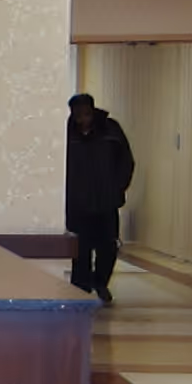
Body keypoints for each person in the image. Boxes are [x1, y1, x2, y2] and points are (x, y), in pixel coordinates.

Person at [65, 93, 136, 304]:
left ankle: (101, 282)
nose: (81, 119)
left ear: (92, 111)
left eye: (85, 114)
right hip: (78, 203)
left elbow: (126, 161)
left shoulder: (111, 130)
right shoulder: (68, 132)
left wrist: (117, 188)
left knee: (108, 247)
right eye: (77, 115)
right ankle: (80, 289)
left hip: (106, 201)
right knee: (80, 249)